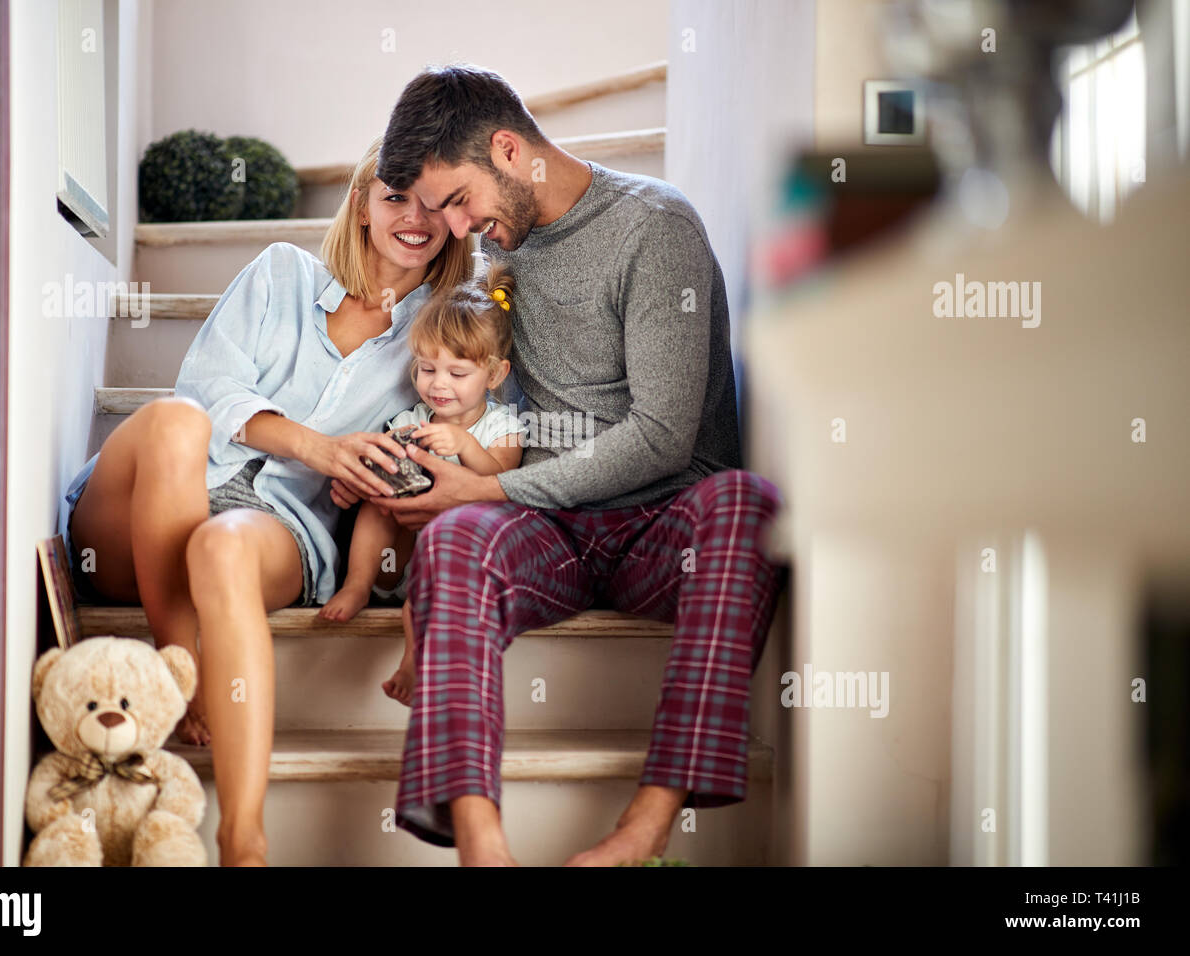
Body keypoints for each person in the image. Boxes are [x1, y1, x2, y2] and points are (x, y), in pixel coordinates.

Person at [353, 65, 786, 866]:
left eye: (457, 200)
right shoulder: (500, 253)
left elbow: (660, 435)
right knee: (455, 544)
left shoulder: (655, 228)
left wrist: (490, 484)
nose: (455, 226)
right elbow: (480, 388)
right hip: (550, 529)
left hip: (664, 522)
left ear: (509, 151)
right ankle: (483, 848)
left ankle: (642, 831)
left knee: (746, 504)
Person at [57, 137, 474, 865]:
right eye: (397, 195)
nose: (415, 217)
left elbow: (472, 437)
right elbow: (209, 389)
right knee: (176, 420)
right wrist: (321, 445)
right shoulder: (282, 272)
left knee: (219, 543)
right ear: (361, 203)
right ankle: (179, 670)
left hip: (280, 525)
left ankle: (242, 839)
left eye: (438, 204)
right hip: (145, 510)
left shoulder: (443, 334)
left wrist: (388, 470)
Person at [317, 263, 527, 705]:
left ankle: (413, 659)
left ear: (494, 374)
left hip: (448, 557)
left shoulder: (501, 427)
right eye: (427, 369)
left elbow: (503, 484)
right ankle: (357, 583)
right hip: (395, 554)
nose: (438, 385)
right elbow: (377, 465)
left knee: (442, 552)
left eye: (457, 373)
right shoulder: (410, 419)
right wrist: (362, 482)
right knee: (377, 502)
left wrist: (465, 444)